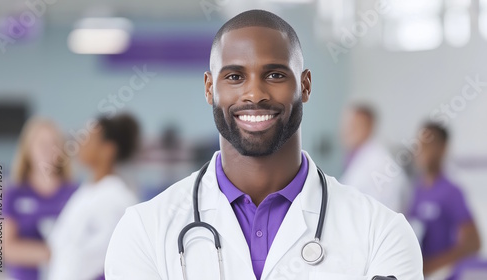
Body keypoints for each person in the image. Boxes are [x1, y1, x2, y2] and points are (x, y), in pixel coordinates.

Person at [105, 10, 422, 280]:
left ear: (305, 85)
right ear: (209, 88)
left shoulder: (381, 233)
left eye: (274, 75)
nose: (254, 94)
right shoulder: (143, 231)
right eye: (234, 77)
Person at [47, 113, 140, 280]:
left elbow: (112, 260)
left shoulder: (116, 197)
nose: (79, 143)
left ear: (108, 150)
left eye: (88, 138)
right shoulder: (87, 190)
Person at [3, 118, 77, 280]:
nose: (47, 150)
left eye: (53, 144)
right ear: (28, 149)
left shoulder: (76, 194)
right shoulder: (14, 194)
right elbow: (6, 248)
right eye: (41, 143)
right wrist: (51, 253)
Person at [407, 122, 481, 277]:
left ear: (442, 148)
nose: (420, 150)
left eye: (427, 145)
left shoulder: (451, 192)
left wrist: (432, 266)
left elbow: (473, 243)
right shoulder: (416, 190)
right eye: (418, 144)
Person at [340, 104, 409, 213]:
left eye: (354, 126)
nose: (347, 131)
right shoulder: (359, 157)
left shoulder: (379, 163)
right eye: (348, 126)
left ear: (369, 127)